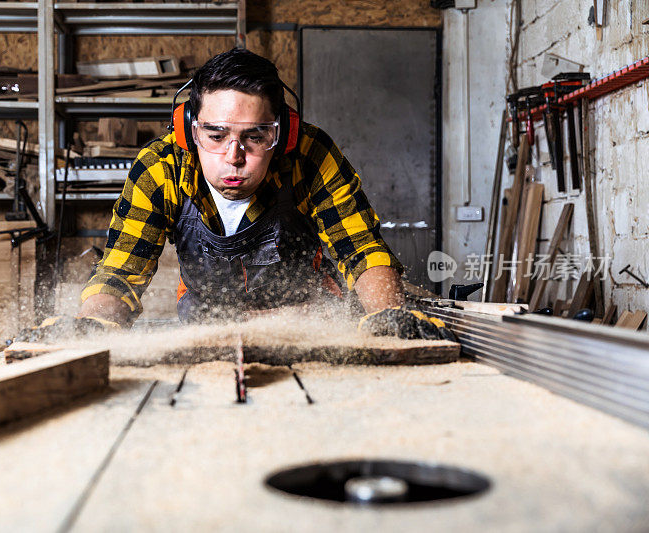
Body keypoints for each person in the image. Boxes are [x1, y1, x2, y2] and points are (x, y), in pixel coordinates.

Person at [41, 48, 449, 341]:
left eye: (255, 137)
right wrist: (91, 326)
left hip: (307, 321)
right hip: (208, 326)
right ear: (189, 130)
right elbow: (119, 270)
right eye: (216, 136)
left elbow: (361, 249)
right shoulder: (160, 168)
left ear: (283, 134)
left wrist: (389, 315)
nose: (233, 157)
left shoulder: (310, 155)